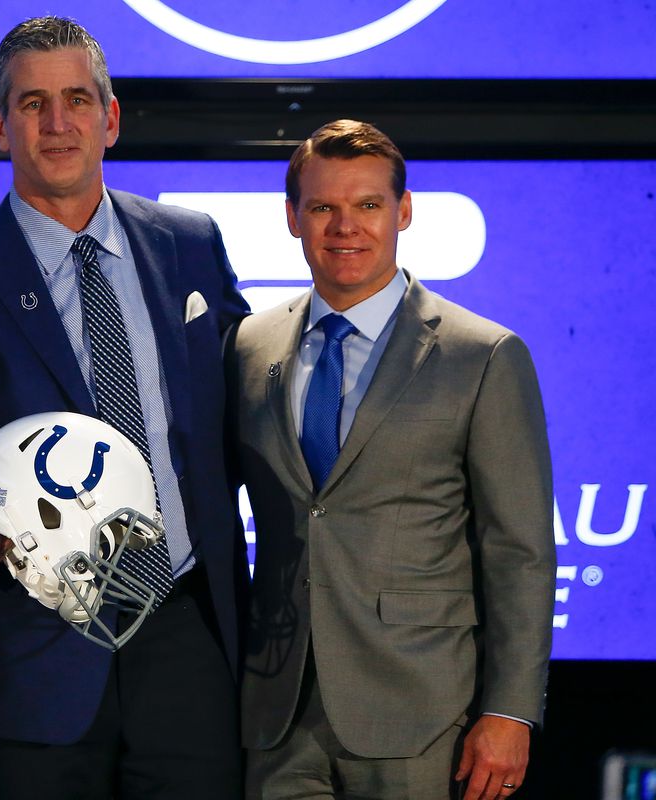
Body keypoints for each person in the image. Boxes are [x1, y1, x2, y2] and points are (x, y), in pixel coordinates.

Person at [0, 16, 250, 800]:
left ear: (110, 118)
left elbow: (245, 409)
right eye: (33, 104)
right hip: (32, 643)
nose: (59, 124)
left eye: (78, 100)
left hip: (187, 636)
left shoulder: (190, 245)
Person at [226, 119, 556, 800]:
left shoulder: (483, 355)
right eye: (323, 207)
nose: (345, 227)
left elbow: (519, 549)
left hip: (422, 711)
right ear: (292, 218)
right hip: (277, 708)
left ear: (403, 212)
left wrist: (510, 709)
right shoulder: (248, 347)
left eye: (368, 205)